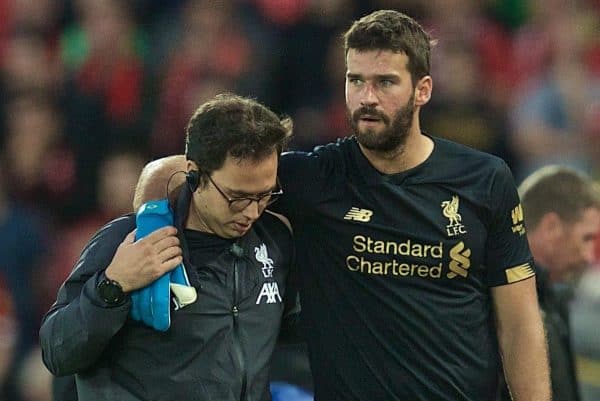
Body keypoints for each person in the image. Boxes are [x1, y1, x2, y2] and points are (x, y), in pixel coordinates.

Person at [136, 10, 551, 401]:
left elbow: (519, 325)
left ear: (422, 89)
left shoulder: (485, 179)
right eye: (356, 80)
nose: (366, 97)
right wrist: (152, 244)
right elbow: (166, 173)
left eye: (385, 82)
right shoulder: (314, 178)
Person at [39, 93, 298, 401]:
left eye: (265, 196)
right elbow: (57, 351)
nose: (252, 212)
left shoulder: (274, 241)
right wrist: (113, 286)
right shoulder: (129, 240)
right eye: (237, 197)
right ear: (194, 173)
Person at [499, 165, 600, 401]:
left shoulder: (551, 298)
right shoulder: (497, 304)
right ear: (551, 227)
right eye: (585, 238)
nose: (588, 256)